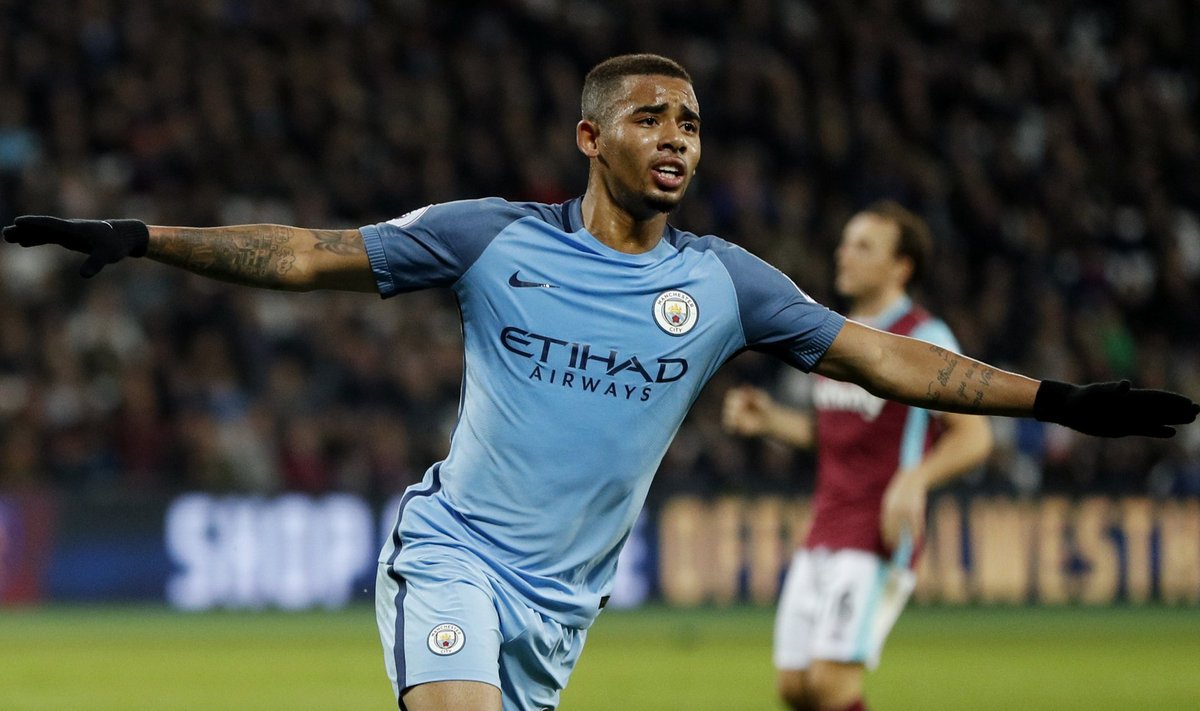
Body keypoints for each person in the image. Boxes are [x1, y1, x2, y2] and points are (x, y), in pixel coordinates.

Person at [3, 54, 1196, 711]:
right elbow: (308, 251)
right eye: (650, 118)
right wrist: (141, 235)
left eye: (690, 122)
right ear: (591, 139)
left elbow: (893, 360)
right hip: (457, 549)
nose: (677, 137)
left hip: (566, 612)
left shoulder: (730, 283)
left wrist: (1062, 403)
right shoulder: (490, 238)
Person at [723, 201, 993, 711]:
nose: (844, 254)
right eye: (846, 242)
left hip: (877, 532)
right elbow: (837, 432)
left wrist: (916, 479)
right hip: (826, 523)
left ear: (901, 267)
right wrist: (771, 421)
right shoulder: (838, 334)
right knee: (796, 688)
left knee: (830, 685)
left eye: (864, 246)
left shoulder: (923, 336)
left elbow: (974, 436)